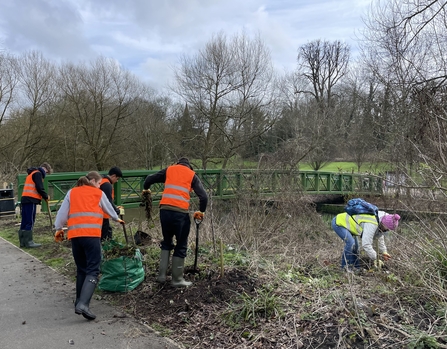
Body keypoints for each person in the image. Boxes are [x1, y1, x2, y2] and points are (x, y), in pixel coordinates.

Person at [54, 171, 124, 320]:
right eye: (99, 183)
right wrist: (117, 218)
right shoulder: (97, 193)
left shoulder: (71, 192)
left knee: (81, 269)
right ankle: (84, 304)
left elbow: (62, 214)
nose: (100, 185)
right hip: (91, 236)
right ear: (92, 182)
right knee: (93, 269)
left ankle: (79, 301)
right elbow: (109, 210)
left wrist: (58, 228)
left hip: (75, 236)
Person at [143, 157, 208, 287]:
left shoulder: (169, 170)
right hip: (180, 213)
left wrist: (146, 190)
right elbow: (204, 197)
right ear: (189, 167)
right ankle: (177, 279)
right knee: (181, 244)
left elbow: (149, 179)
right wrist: (201, 212)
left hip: (164, 211)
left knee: (167, 241)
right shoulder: (191, 175)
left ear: (177, 164)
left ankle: (161, 277)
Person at [331, 210, 401, 272]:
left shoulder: (383, 219)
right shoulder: (372, 223)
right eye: (387, 229)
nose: (387, 231)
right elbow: (366, 244)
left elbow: (379, 238)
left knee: (356, 246)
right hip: (339, 223)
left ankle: (356, 268)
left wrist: (384, 251)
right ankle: (345, 268)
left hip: (350, 226)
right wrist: (375, 258)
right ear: (383, 224)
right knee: (351, 243)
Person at [18, 162, 53, 248]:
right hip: (31, 199)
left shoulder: (31, 173)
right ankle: (29, 242)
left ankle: (23, 242)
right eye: (47, 173)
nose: (46, 175)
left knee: (25, 220)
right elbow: (39, 187)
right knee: (30, 220)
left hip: (25, 199)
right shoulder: (38, 174)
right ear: (46, 169)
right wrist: (45, 196)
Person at [99, 166, 123, 241]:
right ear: (113, 176)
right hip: (102, 214)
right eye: (117, 179)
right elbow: (108, 201)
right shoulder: (107, 185)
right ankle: (104, 250)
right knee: (105, 236)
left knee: (108, 231)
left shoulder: (101, 180)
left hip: (98, 213)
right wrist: (116, 211)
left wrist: (115, 207)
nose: (117, 181)